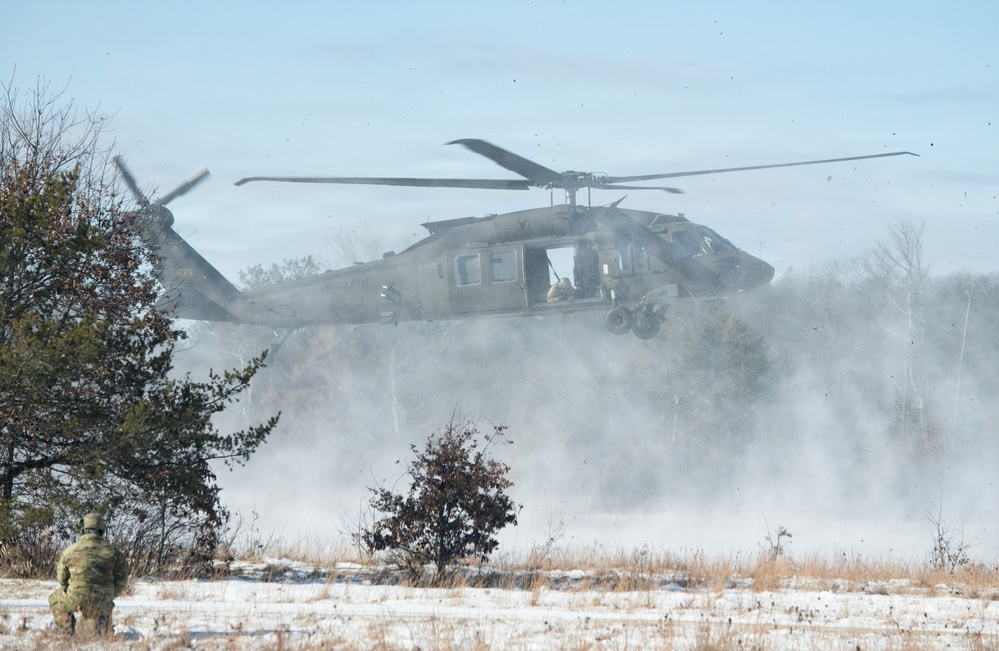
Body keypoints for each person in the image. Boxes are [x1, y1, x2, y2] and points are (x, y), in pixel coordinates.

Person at [48, 512, 130, 636]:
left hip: (75, 598)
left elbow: (62, 579)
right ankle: (100, 623)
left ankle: (67, 628)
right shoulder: (114, 553)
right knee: (97, 621)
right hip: (103, 599)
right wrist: (109, 594)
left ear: (83, 529)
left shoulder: (70, 550)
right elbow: (122, 579)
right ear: (102, 531)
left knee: (54, 598)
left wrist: (71, 589)